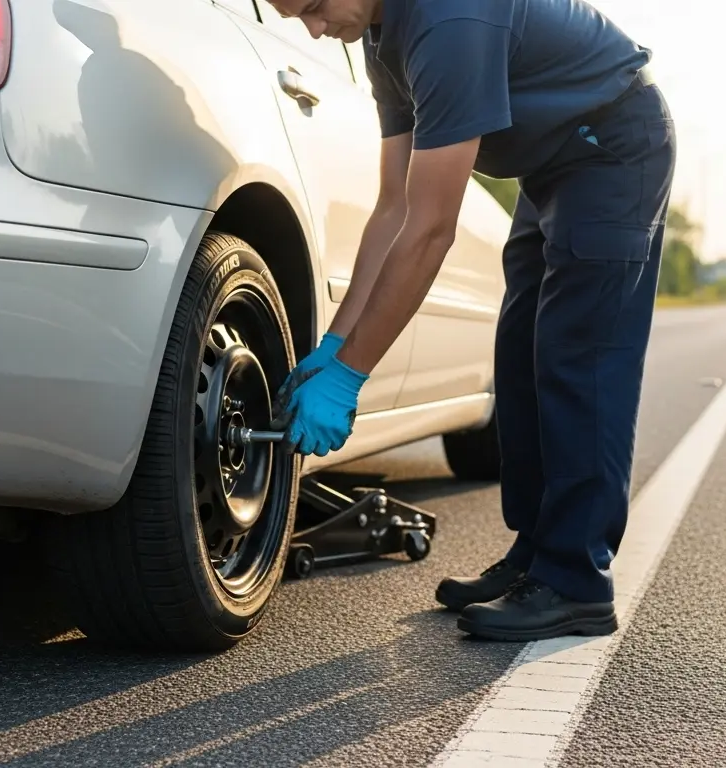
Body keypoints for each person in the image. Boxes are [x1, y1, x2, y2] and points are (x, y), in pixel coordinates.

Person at [265, 0, 676, 642]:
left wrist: (350, 377)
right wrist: (334, 346)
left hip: (611, 145)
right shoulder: (379, 36)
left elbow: (431, 230)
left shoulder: (448, 23)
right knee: (518, 356)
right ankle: (536, 555)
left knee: (579, 357)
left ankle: (575, 581)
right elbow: (394, 209)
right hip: (553, 161)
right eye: (295, 16)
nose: (313, 29)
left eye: (314, 7)